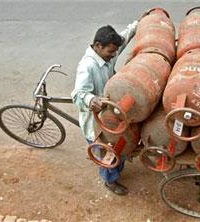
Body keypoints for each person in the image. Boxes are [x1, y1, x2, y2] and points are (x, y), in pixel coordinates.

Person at [71, 20, 138, 195]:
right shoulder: (87, 66)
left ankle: (115, 167)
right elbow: (78, 93)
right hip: (97, 121)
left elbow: (125, 36)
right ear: (98, 46)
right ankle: (110, 180)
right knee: (107, 151)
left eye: (115, 50)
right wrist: (92, 100)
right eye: (111, 51)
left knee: (118, 147)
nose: (114, 54)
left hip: (112, 113)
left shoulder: (107, 54)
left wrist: (139, 22)